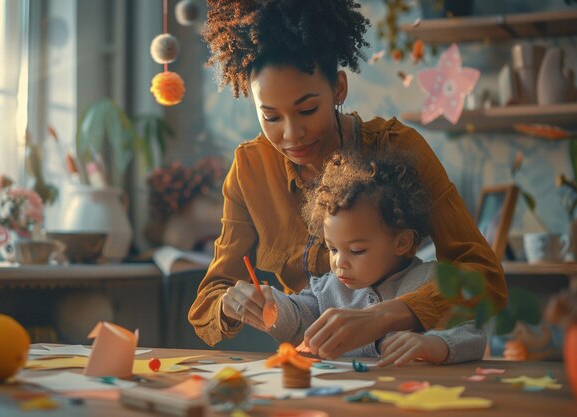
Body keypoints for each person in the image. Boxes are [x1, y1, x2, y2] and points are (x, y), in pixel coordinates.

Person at [188, 0, 506, 358]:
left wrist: (386, 316)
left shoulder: (397, 147)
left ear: (339, 88)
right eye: (271, 117)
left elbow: (484, 276)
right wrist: (233, 303)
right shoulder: (250, 168)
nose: (291, 135)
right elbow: (209, 302)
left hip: (405, 363)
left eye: (307, 109)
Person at [229, 151, 487, 364]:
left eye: (357, 251)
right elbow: (297, 320)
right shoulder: (327, 288)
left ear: (402, 242)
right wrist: (268, 303)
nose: (339, 262)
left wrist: (433, 344)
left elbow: (472, 336)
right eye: (332, 249)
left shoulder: (429, 282)